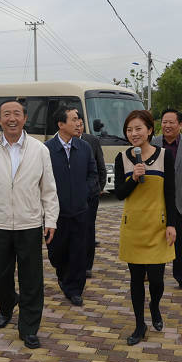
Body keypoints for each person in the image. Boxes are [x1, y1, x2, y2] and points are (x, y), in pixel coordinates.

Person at [0, 99, 58, 349]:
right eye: (6, 114)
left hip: (29, 224)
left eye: (16, 114)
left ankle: (28, 328)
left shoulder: (40, 150)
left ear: (24, 118)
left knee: (31, 279)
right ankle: (7, 305)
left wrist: (50, 220)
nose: (12, 118)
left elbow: (49, 190)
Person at [114, 110, 176, 346]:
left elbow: (169, 191)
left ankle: (155, 306)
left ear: (150, 130)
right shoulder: (122, 158)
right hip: (133, 228)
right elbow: (119, 194)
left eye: (138, 128)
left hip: (158, 226)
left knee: (157, 279)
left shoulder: (164, 155)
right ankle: (140, 324)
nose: (133, 134)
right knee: (136, 279)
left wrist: (171, 224)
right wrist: (133, 177)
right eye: (129, 130)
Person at [45, 106, 97, 306]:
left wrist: (85, 191)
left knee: (79, 251)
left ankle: (75, 288)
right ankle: (63, 275)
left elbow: (92, 174)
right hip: (55, 213)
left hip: (80, 210)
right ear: (61, 124)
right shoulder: (46, 149)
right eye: (74, 119)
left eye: (79, 119)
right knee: (57, 252)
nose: (78, 123)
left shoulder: (84, 147)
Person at [151, 109, 182, 294]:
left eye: (171, 122)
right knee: (155, 238)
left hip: (181, 200)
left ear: (180, 125)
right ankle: (152, 271)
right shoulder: (153, 142)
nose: (167, 126)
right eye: (164, 122)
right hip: (156, 200)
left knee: (181, 242)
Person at [75, 116, 106, 278]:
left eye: (81, 125)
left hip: (90, 195)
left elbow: (101, 165)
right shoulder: (65, 141)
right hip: (72, 195)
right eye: (76, 124)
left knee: (88, 229)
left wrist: (99, 187)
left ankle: (87, 265)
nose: (78, 127)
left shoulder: (91, 141)